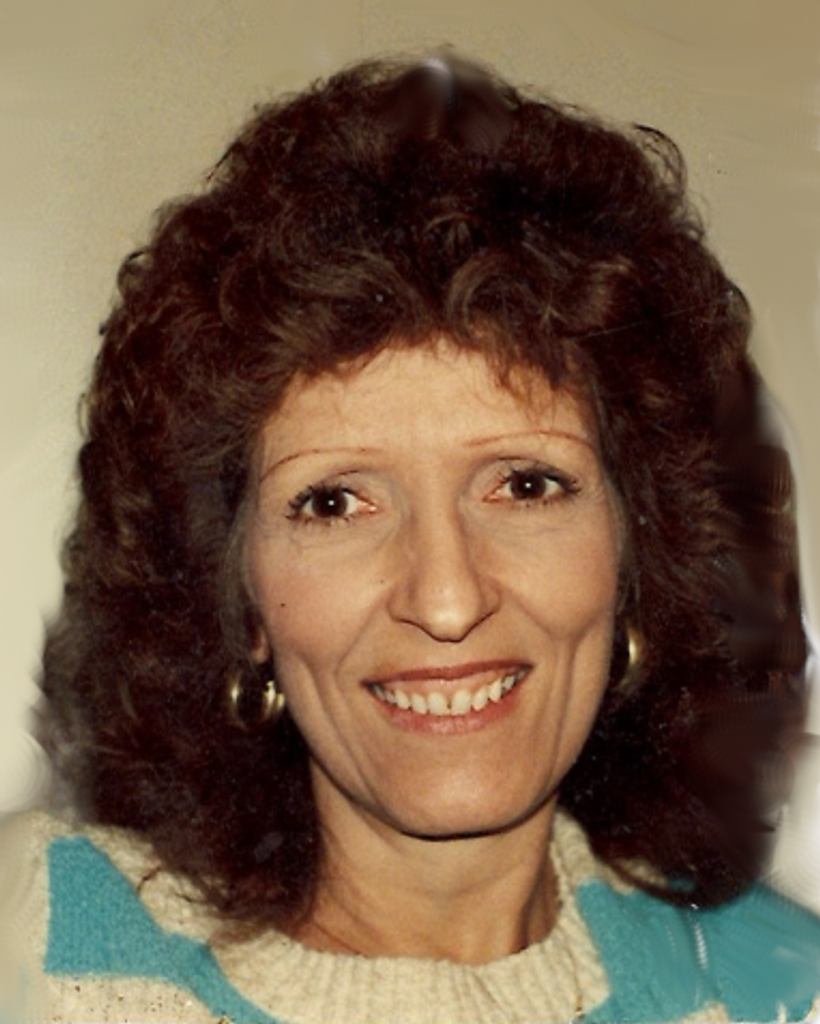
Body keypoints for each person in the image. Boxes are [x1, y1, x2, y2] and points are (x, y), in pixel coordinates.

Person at [3, 53, 820, 1023]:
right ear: (239, 598)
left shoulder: (773, 986)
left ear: (637, 550)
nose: (446, 598)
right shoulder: (50, 938)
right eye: (334, 503)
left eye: (525, 485)